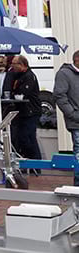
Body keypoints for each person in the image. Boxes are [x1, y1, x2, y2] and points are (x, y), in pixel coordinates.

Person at [4, 55, 42, 163]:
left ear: (22, 65)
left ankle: (35, 162)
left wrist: (14, 94)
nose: (12, 67)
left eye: (14, 64)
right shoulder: (17, 75)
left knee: (28, 137)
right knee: (21, 137)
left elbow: (25, 93)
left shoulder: (29, 76)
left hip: (30, 111)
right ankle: (29, 161)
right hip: (22, 112)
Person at [54, 50, 79, 186]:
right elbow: (59, 96)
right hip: (76, 122)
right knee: (78, 155)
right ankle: (78, 186)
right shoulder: (64, 74)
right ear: (77, 60)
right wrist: (73, 114)